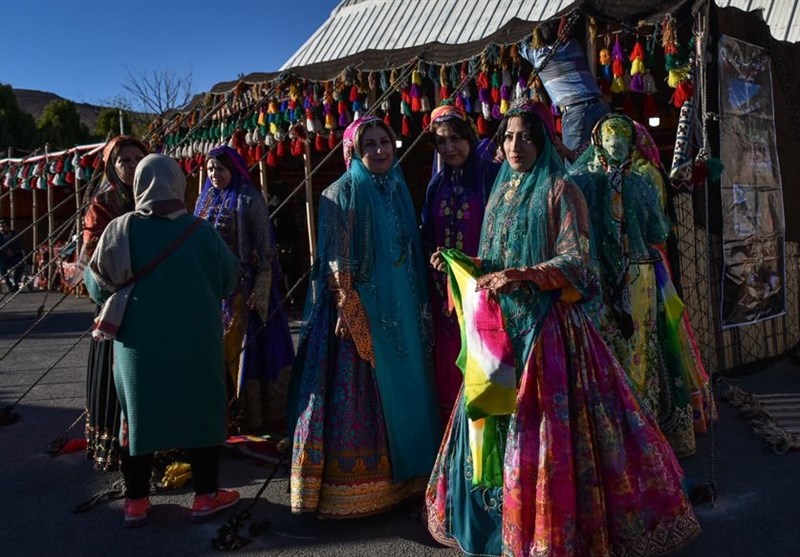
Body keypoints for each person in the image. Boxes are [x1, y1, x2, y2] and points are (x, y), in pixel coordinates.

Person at [426, 102, 700, 556]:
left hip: (548, 330)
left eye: (527, 137)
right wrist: (465, 263)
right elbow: (493, 258)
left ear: (544, 142)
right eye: (509, 137)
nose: (516, 146)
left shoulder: (560, 189)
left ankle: (550, 531)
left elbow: (577, 263)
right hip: (501, 334)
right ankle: (499, 524)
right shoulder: (501, 191)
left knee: (550, 438)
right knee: (493, 425)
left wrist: (524, 274)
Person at [287, 115, 440, 519]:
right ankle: (359, 492)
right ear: (353, 151)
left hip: (405, 307)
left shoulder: (400, 190)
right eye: (368, 144)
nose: (379, 150)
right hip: (358, 312)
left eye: (384, 141)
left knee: (411, 386)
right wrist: (349, 310)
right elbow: (335, 260)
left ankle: (414, 478)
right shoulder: (341, 192)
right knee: (365, 394)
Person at [84, 154, 240, 527]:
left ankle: (136, 502)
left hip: (137, 345)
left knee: (136, 418)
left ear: (139, 185)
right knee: (201, 411)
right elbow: (229, 281)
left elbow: (95, 286)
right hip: (196, 341)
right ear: (178, 183)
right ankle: (206, 496)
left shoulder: (120, 230)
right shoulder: (201, 232)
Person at [569, 114, 715, 457]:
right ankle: (645, 430)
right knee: (641, 348)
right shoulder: (639, 183)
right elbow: (657, 232)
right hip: (638, 276)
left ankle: (609, 434)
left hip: (596, 279)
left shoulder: (579, 182)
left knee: (604, 350)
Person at [194, 146, 294, 434]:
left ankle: (251, 418)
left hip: (244, 294)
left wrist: (260, 290)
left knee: (245, 355)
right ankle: (220, 417)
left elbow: (266, 249)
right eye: (211, 169)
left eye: (220, 169)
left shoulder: (250, 200)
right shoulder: (203, 201)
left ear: (234, 170)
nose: (214, 174)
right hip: (212, 295)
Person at [421, 104, 501, 425]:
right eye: (441, 141)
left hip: (484, 289)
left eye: (456, 138)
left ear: (469, 136)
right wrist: (433, 257)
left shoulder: (489, 178)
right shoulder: (436, 186)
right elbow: (427, 233)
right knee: (452, 361)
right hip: (446, 296)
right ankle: (459, 437)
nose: (450, 147)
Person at [79, 135, 148, 471]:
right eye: (124, 160)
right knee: (118, 377)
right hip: (117, 302)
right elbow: (92, 259)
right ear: (111, 165)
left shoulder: (161, 197)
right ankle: (118, 448)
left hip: (155, 303)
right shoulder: (102, 205)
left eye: (138, 159)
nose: (132, 166)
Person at [519, 18, 610, 156]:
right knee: (606, 157)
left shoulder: (538, 56)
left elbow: (521, 45)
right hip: (601, 105)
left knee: (575, 164)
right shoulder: (572, 45)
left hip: (576, 112)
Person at [0, 219, 24, 291]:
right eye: (0, 227)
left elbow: (20, 246)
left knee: (20, 264)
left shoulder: (15, 234)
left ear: (8, 227)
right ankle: (8, 283)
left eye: (4, 226)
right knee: (1, 267)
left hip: (14, 256)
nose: (2, 228)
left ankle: (15, 282)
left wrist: (13, 251)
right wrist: (5, 250)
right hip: (2, 258)